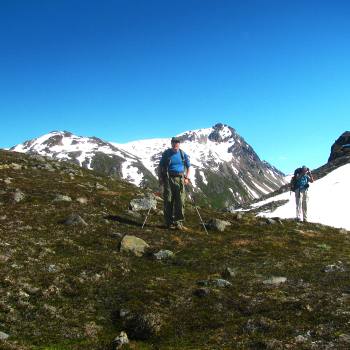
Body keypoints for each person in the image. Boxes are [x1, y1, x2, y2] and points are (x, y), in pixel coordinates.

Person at [158, 137, 191, 230]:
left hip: (180, 179)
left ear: (179, 144)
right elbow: (160, 166)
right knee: (168, 200)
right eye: (174, 142)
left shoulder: (182, 154)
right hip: (168, 179)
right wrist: (160, 177)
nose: (176, 144)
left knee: (180, 201)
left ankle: (178, 223)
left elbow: (188, 167)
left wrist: (187, 178)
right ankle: (168, 223)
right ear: (171, 143)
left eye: (177, 142)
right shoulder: (167, 153)